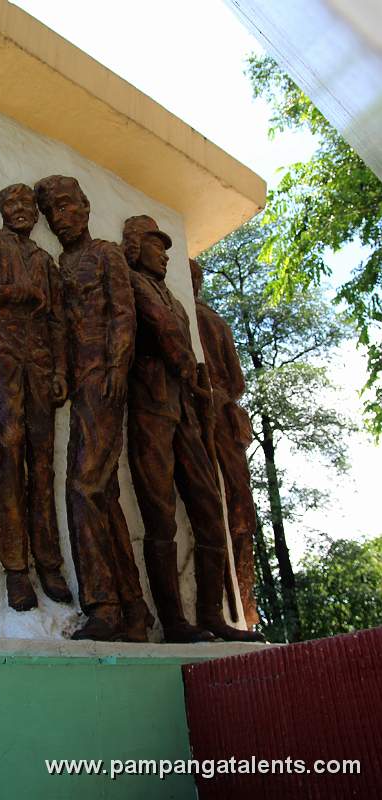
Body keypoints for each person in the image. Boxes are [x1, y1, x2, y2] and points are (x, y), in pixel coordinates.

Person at [122, 215, 263, 642]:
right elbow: (165, 335)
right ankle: (174, 621)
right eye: (155, 245)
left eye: (167, 248)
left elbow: (184, 342)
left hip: (184, 409)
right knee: (160, 514)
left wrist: (199, 387)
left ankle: (211, 616)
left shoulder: (178, 301)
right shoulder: (133, 284)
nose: (164, 254)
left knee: (208, 507)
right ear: (134, 247)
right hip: (151, 407)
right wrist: (189, 369)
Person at [35, 175, 152, 641]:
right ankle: (134, 610)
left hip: (105, 380)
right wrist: (62, 372)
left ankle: (104, 606)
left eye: (67, 206)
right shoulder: (63, 264)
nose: (61, 218)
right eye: (53, 213)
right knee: (100, 494)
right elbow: (61, 326)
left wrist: (116, 371)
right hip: (81, 385)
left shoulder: (106, 254)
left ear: (84, 207)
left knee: (82, 489)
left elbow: (125, 314)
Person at [0, 183, 72, 610]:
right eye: (11, 204)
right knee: (9, 448)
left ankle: (48, 561)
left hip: (41, 358)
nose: (19, 210)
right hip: (5, 350)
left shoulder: (45, 261)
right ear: (2, 210)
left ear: (35, 213)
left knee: (44, 457)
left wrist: (61, 370)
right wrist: (21, 294)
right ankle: (16, 568)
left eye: (26, 205)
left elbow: (56, 320)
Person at [190, 259, 259, 627]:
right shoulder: (207, 318)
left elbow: (235, 380)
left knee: (232, 508)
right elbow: (237, 381)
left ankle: (242, 604)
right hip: (209, 414)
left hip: (214, 415)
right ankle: (239, 606)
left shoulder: (207, 320)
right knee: (230, 507)